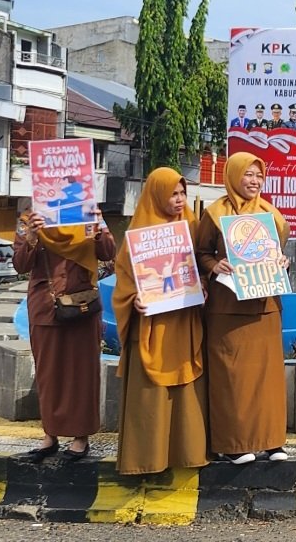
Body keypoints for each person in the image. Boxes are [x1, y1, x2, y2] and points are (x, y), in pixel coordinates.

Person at [195, 152, 290, 464]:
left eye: (259, 176)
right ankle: (235, 443)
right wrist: (214, 264)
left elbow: (278, 252)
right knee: (232, 378)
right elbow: (200, 252)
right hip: (228, 310)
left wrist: (282, 262)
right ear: (234, 175)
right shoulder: (214, 212)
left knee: (268, 379)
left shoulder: (272, 215)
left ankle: (272, 442)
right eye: (248, 175)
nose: (254, 181)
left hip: (265, 307)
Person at [112, 168, 208, 475]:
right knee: (150, 393)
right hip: (151, 325)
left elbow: (202, 264)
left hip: (183, 320)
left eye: (183, 193)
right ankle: (146, 460)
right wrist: (132, 299)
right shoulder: (139, 231)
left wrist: (203, 284)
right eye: (173, 194)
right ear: (156, 195)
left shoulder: (192, 226)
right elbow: (124, 279)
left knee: (186, 388)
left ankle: (188, 454)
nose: (179, 200)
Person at [13, 205, 116, 463]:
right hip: (45, 307)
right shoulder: (29, 218)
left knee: (82, 374)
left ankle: (81, 437)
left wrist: (98, 228)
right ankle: (50, 434)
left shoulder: (86, 213)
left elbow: (108, 253)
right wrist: (32, 238)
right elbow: (19, 264)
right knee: (49, 374)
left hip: (83, 305)